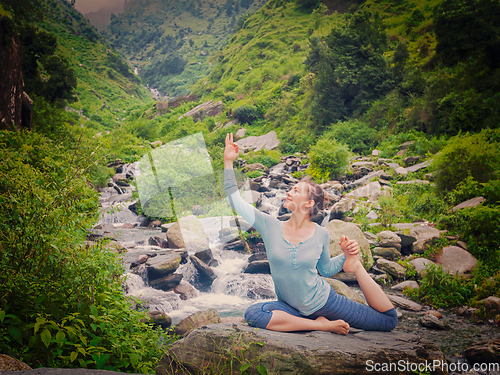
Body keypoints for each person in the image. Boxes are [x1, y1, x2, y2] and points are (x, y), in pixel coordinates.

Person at [223, 133, 398, 334]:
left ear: (308, 204)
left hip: (325, 302)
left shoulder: (321, 233)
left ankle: (357, 266)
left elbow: (325, 270)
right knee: (254, 313)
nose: (289, 192)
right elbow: (235, 200)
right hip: (291, 308)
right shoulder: (268, 225)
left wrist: (347, 258)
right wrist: (228, 162)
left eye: (296, 191)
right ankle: (320, 325)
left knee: (388, 322)